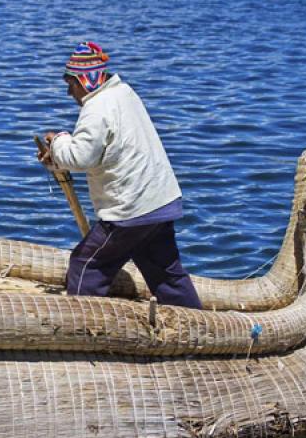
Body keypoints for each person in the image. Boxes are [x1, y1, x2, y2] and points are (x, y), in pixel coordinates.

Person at [38, 41, 202, 309]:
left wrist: (58, 141)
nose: (70, 94)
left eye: (70, 85)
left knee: (86, 264)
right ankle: (201, 329)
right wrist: (57, 157)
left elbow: (80, 157)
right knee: (167, 274)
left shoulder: (97, 108)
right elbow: (102, 152)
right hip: (160, 203)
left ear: (82, 81)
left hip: (130, 211)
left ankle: (83, 329)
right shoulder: (124, 93)